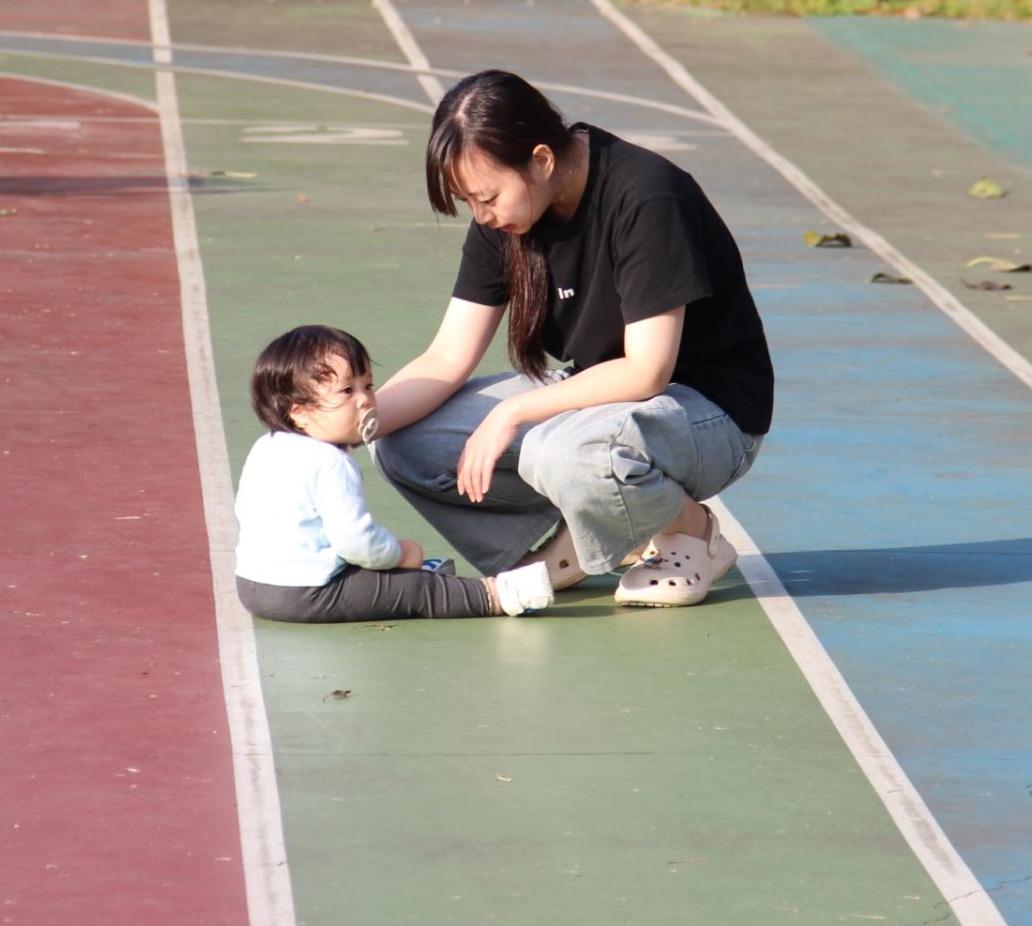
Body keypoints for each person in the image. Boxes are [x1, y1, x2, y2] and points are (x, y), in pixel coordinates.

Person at [371, 70, 773, 608]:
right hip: (600, 399)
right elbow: (446, 357)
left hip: (708, 410)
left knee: (562, 450)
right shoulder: (505, 219)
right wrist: (348, 424)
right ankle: (590, 533)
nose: (482, 216)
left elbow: (647, 371)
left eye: (488, 197)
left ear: (541, 160)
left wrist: (511, 412)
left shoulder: (646, 194)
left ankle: (691, 531)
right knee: (405, 443)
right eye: (469, 202)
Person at [232, 324, 555, 623]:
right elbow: (355, 541)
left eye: (368, 385)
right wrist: (398, 553)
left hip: (252, 585)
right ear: (299, 412)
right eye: (347, 391)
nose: (365, 400)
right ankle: (497, 594)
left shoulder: (266, 447)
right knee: (417, 590)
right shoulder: (331, 462)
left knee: (385, 581)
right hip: (308, 591)